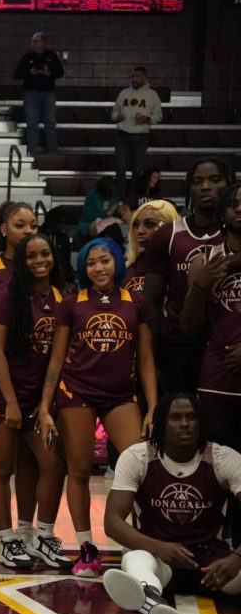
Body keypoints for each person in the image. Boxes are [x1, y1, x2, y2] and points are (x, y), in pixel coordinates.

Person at [38, 238, 158, 578]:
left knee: (141, 468)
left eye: (104, 261)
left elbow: (146, 360)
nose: (98, 268)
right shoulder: (72, 303)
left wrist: (152, 407)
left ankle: (143, 544)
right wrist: (46, 407)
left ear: (117, 262)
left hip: (121, 396)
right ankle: (87, 547)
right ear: (83, 268)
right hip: (76, 393)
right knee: (78, 470)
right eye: (91, 263)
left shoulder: (137, 303)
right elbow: (56, 361)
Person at [103, 393, 241, 614]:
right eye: (175, 418)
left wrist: (237, 558)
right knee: (133, 559)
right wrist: (158, 547)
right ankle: (150, 597)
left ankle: (145, 601)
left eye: (191, 417)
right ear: (160, 424)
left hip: (212, 565)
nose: (185, 424)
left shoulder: (223, 458)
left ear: (201, 423)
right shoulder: (137, 457)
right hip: (158, 558)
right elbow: (112, 522)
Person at [0, 233, 68, 570]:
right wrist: (11, 402)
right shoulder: (10, 297)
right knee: (2, 467)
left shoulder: (59, 298)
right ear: (22, 262)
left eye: (45, 253)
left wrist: (44, 406)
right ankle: (5, 538)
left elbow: (54, 361)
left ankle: (42, 536)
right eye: (31, 256)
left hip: (33, 396)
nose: (39, 261)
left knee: (54, 464)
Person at [139, 156, 233, 394]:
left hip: (227, 344)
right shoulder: (168, 235)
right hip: (178, 345)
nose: (205, 186)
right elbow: (151, 302)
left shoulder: (235, 234)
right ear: (189, 188)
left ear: (229, 184)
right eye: (197, 181)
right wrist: (151, 357)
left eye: (214, 180)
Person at [181, 181, 241, 452]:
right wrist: (200, 287)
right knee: (217, 468)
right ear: (222, 213)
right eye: (233, 204)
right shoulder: (204, 260)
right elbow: (189, 327)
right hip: (217, 382)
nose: (239, 209)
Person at [113, 66, 163, 203]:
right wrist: (117, 117)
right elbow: (114, 112)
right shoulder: (124, 93)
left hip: (141, 136)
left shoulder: (152, 95)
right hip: (122, 134)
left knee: (137, 169)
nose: (135, 78)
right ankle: (120, 199)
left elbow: (158, 116)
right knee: (120, 168)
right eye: (133, 76)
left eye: (138, 76)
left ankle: (133, 199)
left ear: (145, 78)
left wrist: (146, 119)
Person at [13, 31, 64, 155]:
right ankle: (32, 153)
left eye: (35, 41)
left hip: (48, 94)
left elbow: (60, 72)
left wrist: (50, 73)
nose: (33, 43)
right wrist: (30, 73)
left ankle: (53, 153)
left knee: (50, 123)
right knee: (32, 124)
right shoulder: (27, 57)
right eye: (32, 41)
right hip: (31, 94)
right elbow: (16, 74)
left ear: (43, 43)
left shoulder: (51, 56)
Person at [77, 176, 119, 240]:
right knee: (108, 229)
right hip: (89, 223)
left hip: (109, 222)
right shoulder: (92, 195)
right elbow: (89, 216)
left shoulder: (114, 194)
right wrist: (108, 213)